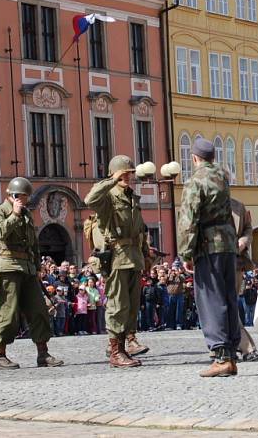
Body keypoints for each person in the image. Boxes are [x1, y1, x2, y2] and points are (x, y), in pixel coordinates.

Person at [177, 138, 240, 378]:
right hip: (228, 242)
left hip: (208, 245)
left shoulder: (196, 180)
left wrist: (186, 252)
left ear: (194, 158)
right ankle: (231, 353)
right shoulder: (224, 176)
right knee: (228, 297)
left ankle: (221, 356)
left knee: (210, 299)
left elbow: (188, 220)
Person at [0, 177, 63, 369]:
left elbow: (33, 244)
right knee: (9, 313)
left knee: (38, 311)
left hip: (28, 268)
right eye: (24, 196)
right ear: (13, 196)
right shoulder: (0, 211)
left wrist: (38, 267)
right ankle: (0, 354)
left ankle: (43, 353)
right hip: (8, 266)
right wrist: (13, 215)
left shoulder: (26, 215)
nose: (27, 200)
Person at [84, 155, 150, 368]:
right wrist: (112, 180)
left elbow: (140, 231)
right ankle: (115, 352)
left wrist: (147, 255)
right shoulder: (108, 198)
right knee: (117, 305)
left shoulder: (132, 197)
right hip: (117, 258)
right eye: (124, 173)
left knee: (131, 307)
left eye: (130, 174)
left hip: (134, 257)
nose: (128, 177)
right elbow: (89, 199)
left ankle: (125, 347)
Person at [231, 197, 258, 362]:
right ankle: (230, 347)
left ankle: (237, 347)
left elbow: (248, 228)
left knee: (229, 305)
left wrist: (245, 240)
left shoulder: (238, 206)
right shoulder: (202, 202)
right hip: (211, 262)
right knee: (221, 307)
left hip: (235, 262)